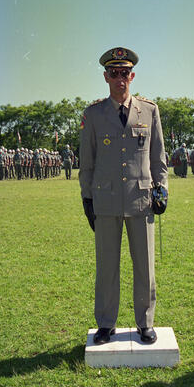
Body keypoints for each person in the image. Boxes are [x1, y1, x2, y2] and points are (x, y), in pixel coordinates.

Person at [79, 47, 168, 345]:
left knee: (144, 266)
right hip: (105, 202)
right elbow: (87, 162)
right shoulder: (93, 115)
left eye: (124, 74)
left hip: (141, 201)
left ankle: (145, 322)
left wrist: (162, 187)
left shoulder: (149, 110)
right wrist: (87, 199)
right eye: (113, 74)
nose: (120, 79)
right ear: (106, 77)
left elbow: (158, 158)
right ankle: (106, 323)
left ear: (132, 76)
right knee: (107, 266)